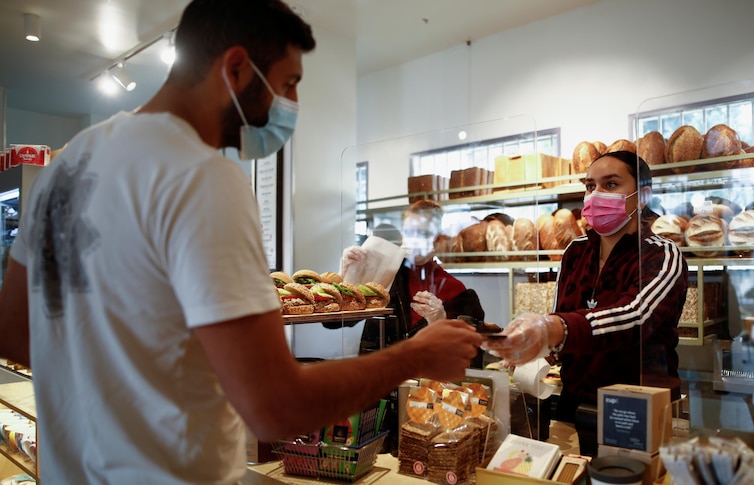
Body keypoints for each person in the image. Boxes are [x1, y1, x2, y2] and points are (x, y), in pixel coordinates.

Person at [0, 1, 483, 483]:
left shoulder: (69, 163)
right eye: (289, 83)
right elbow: (276, 406)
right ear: (235, 68)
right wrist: (414, 356)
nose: (292, 103)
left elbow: (17, 334)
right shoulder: (201, 177)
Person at [483, 150, 688, 455]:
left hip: (639, 404)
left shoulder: (662, 255)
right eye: (591, 186)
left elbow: (635, 316)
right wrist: (532, 346)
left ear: (642, 196)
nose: (596, 194)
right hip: (575, 402)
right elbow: (564, 320)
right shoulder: (575, 252)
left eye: (611, 184)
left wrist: (554, 329)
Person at [346, 199, 487, 366]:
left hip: (426, 386)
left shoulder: (456, 291)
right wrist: (350, 273)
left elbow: (471, 358)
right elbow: (338, 322)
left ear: (437, 240)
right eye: (408, 232)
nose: (413, 240)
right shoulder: (386, 276)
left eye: (422, 233)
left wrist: (440, 321)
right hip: (378, 379)